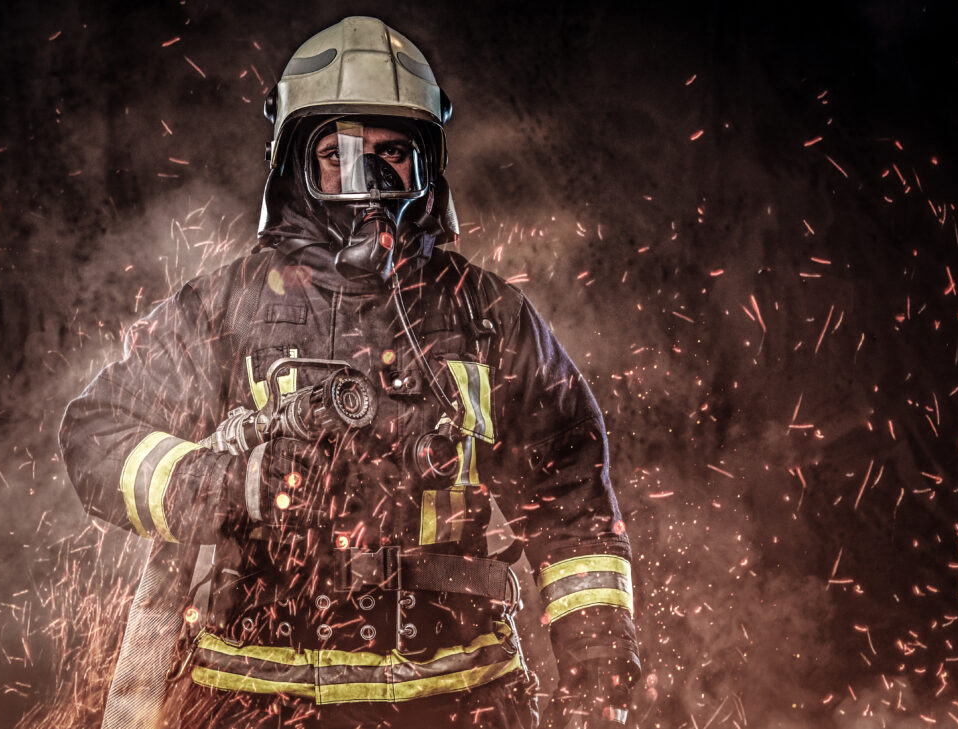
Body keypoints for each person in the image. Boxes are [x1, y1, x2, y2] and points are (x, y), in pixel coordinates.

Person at [60, 16, 640, 729]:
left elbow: (573, 499)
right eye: (339, 154)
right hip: (253, 709)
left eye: (395, 152)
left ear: (429, 165)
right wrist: (226, 485)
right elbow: (96, 436)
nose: (370, 179)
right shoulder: (226, 308)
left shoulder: (490, 317)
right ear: (291, 164)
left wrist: (598, 670)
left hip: (459, 707)